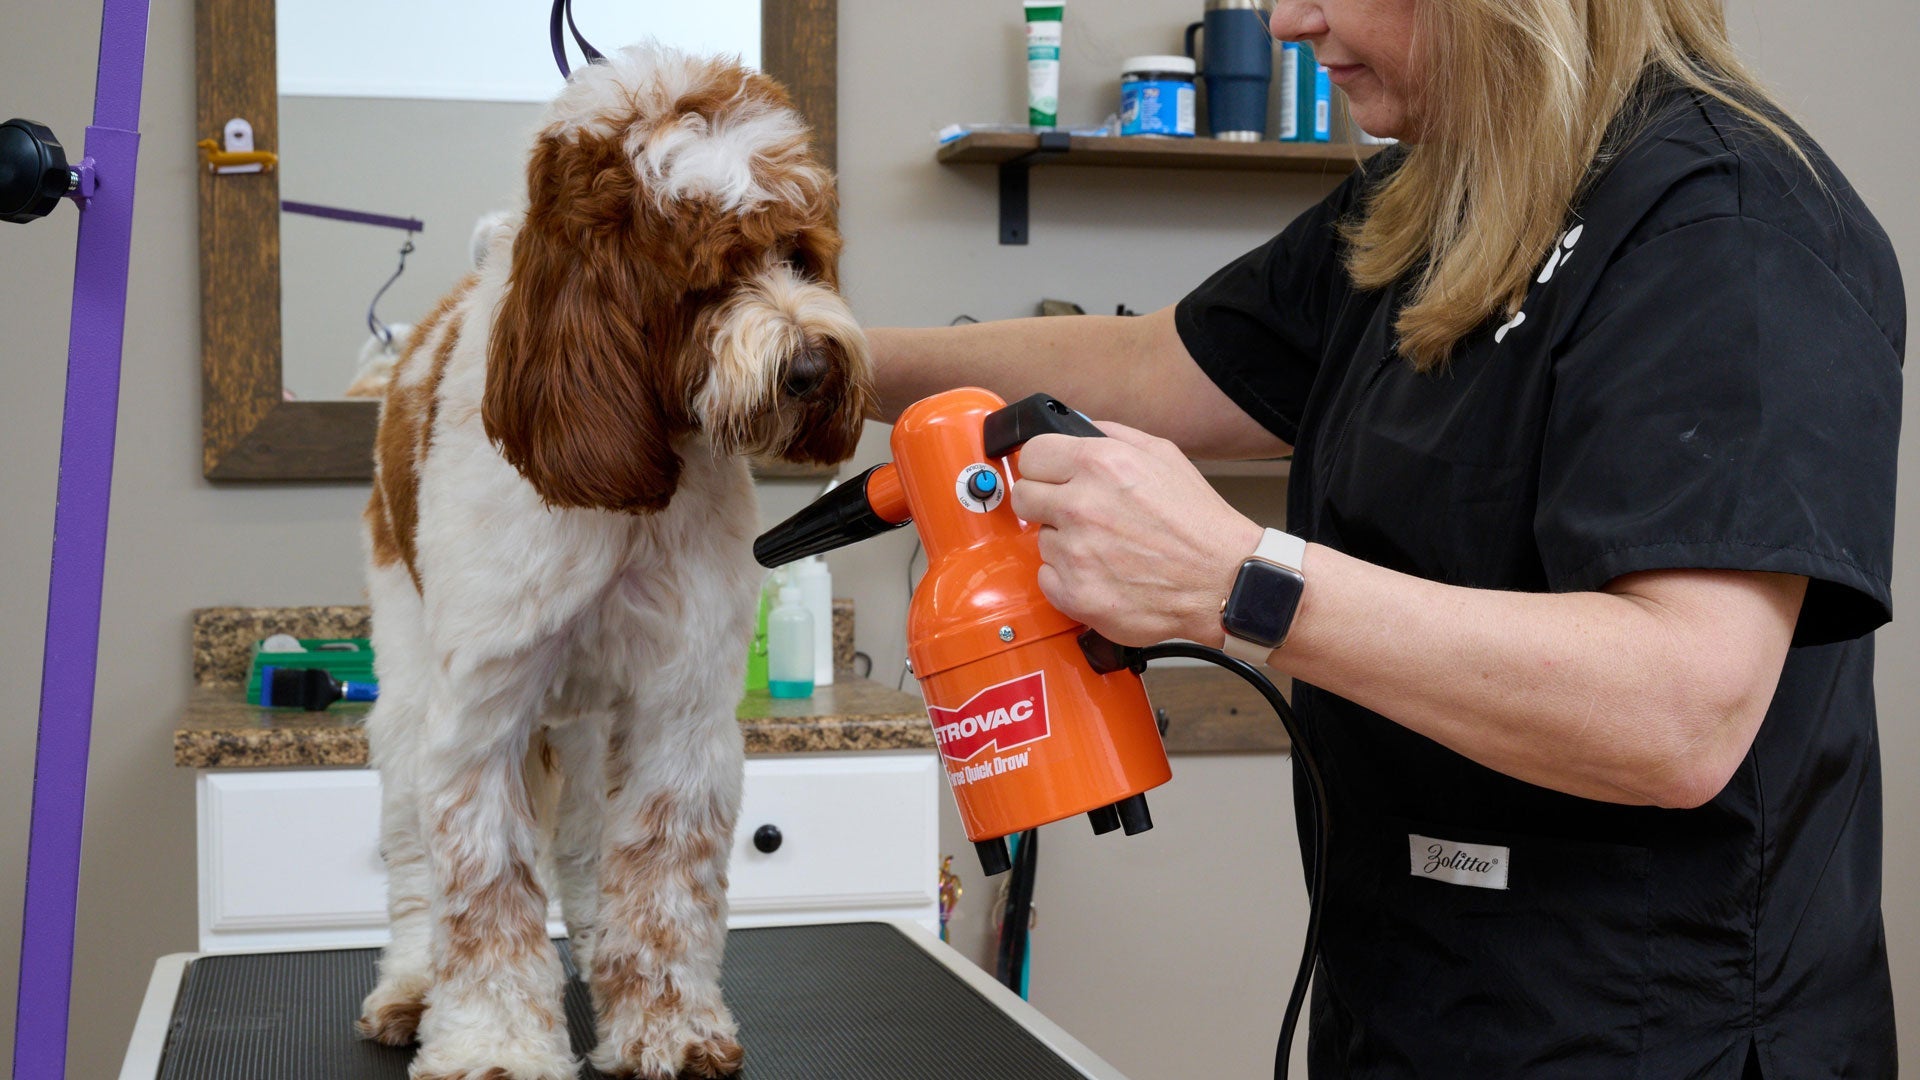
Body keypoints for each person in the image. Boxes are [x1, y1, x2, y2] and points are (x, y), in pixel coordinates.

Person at [867, 0, 1903, 1076]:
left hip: (1645, 1030)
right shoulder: (1438, 195)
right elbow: (1157, 364)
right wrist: (829, 365)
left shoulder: (1729, 221)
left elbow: (1680, 714)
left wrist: (1239, 580)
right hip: (1413, 1001)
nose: (1288, 21)